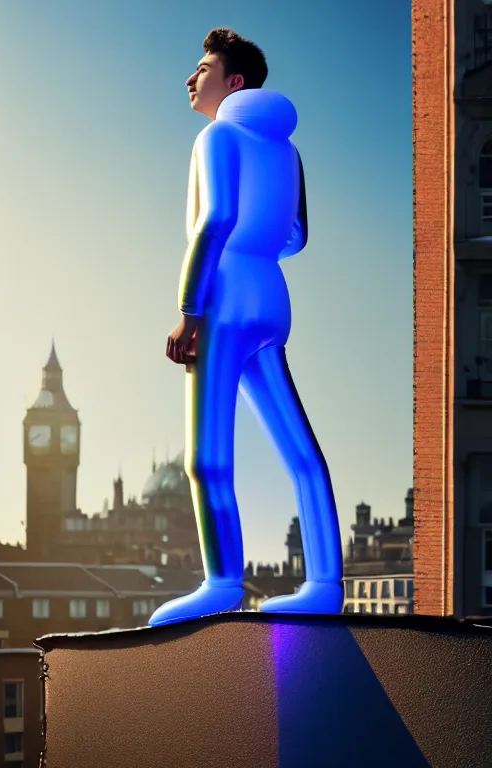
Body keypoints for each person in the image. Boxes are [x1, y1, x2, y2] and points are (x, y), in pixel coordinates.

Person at [148, 28, 343, 627]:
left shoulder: (218, 136)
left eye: (203, 67)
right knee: (300, 450)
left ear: (234, 82)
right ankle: (324, 585)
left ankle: (222, 582)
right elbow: (297, 237)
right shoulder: (287, 150)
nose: (191, 77)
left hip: (226, 297)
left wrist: (190, 311)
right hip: (271, 297)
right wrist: (258, 249)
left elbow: (215, 220)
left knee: (207, 458)